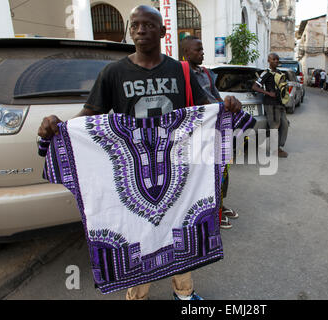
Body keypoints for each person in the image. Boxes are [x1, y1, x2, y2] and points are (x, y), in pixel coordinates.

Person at [37, 5, 242, 301]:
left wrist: (228, 106)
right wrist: (58, 127)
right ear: (129, 30)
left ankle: (184, 294)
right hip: (134, 169)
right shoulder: (113, 73)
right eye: (135, 25)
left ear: (162, 31)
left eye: (148, 25)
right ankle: (136, 296)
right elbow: (88, 115)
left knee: (179, 226)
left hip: (176, 167)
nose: (141, 30)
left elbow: (207, 109)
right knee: (136, 232)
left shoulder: (180, 71)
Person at [181, 35, 239, 230]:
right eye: (198, 50)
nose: (202, 53)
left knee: (222, 167)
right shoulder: (180, 74)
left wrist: (224, 108)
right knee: (202, 172)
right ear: (186, 53)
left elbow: (216, 97)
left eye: (202, 49)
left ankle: (220, 204)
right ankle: (210, 211)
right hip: (196, 131)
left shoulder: (206, 73)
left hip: (215, 127)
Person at [252, 53, 288, 158]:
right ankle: (275, 150)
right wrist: (268, 93)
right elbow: (254, 87)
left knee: (284, 124)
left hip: (280, 104)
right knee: (274, 126)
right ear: (269, 60)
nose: (276, 61)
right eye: (273, 59)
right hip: (270, 104)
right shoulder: (265, 73)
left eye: (277, 59)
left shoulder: (280, 73)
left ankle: (279, 147)